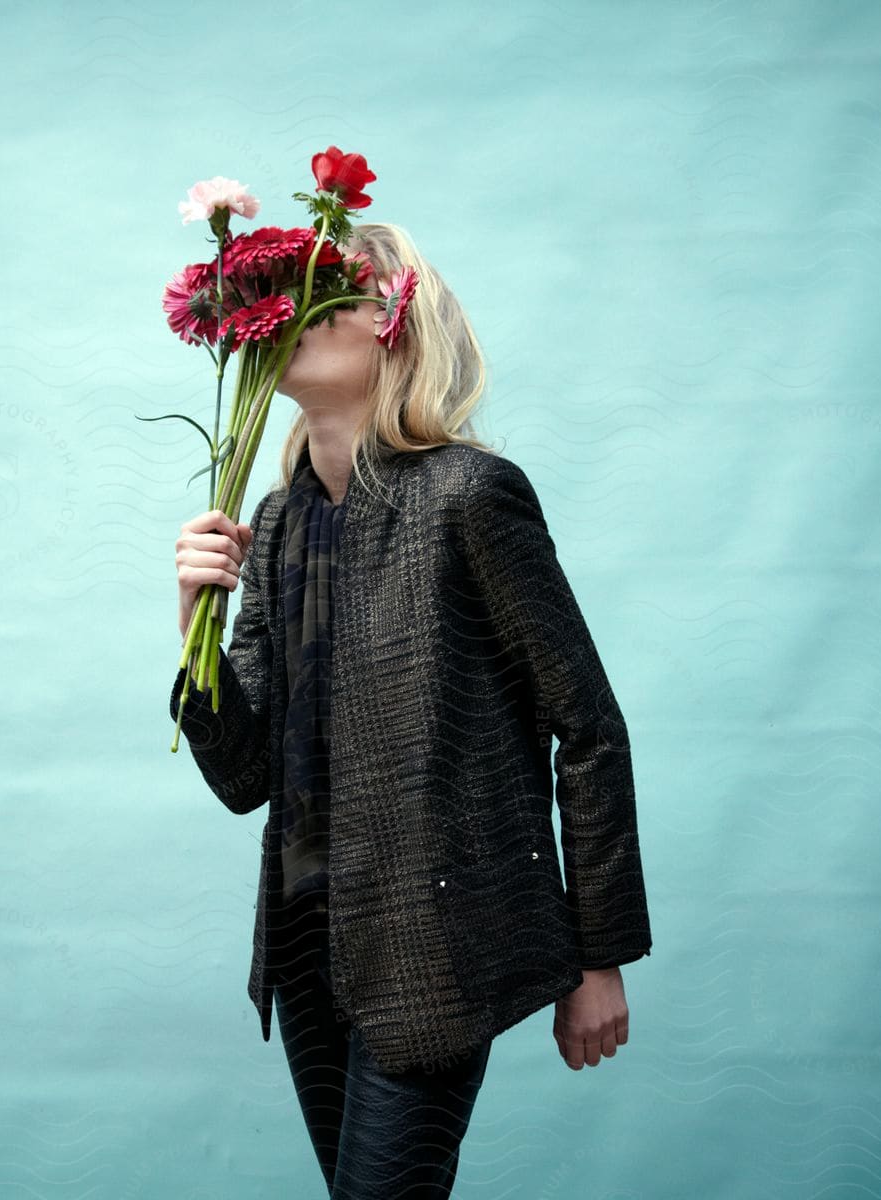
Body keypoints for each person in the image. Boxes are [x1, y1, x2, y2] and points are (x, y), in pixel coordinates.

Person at [170, 222, 651, 1199]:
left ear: (393, 322)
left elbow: (589, 727)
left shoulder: (471, 497)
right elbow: (243, 776)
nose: (288, 320)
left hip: (433, 952)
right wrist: (194, 628)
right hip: (307, 950)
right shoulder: (273, 528)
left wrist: (598, 957)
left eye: (325, 298)